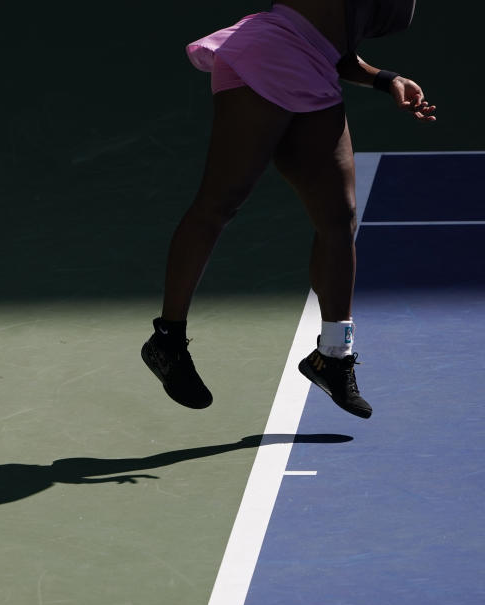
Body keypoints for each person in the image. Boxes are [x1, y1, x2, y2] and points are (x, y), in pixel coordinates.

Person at [141, 0, 436, 418]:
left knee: (339, 217)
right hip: (268, 52)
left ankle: (333, 357)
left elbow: (336, 51)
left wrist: (388, 80)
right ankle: (167, 341)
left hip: (315, 68)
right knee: (220, 203)